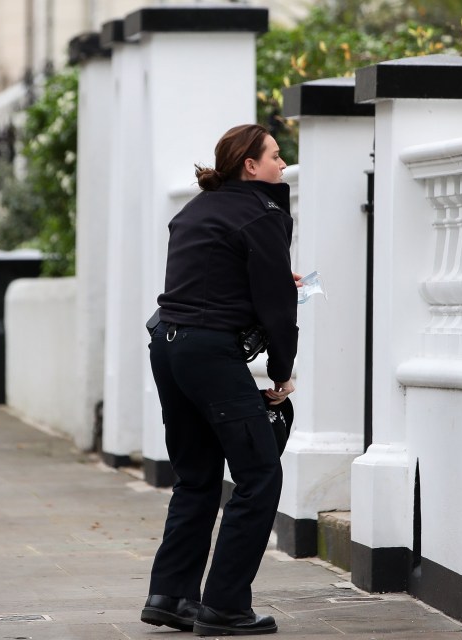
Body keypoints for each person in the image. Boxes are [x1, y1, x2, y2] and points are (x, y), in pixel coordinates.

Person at [140, 124, 296, 636]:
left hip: (168, 347)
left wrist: (271, 284)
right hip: (208, 353)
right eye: (275, 156)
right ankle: (225, 606)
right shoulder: (263, 212)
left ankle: (169, 596)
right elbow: (277, 307)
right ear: (250, 166)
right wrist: (280, 374)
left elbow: (212, 281)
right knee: (259, 475)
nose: (282, 164)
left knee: (197, 477)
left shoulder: (194, 210)